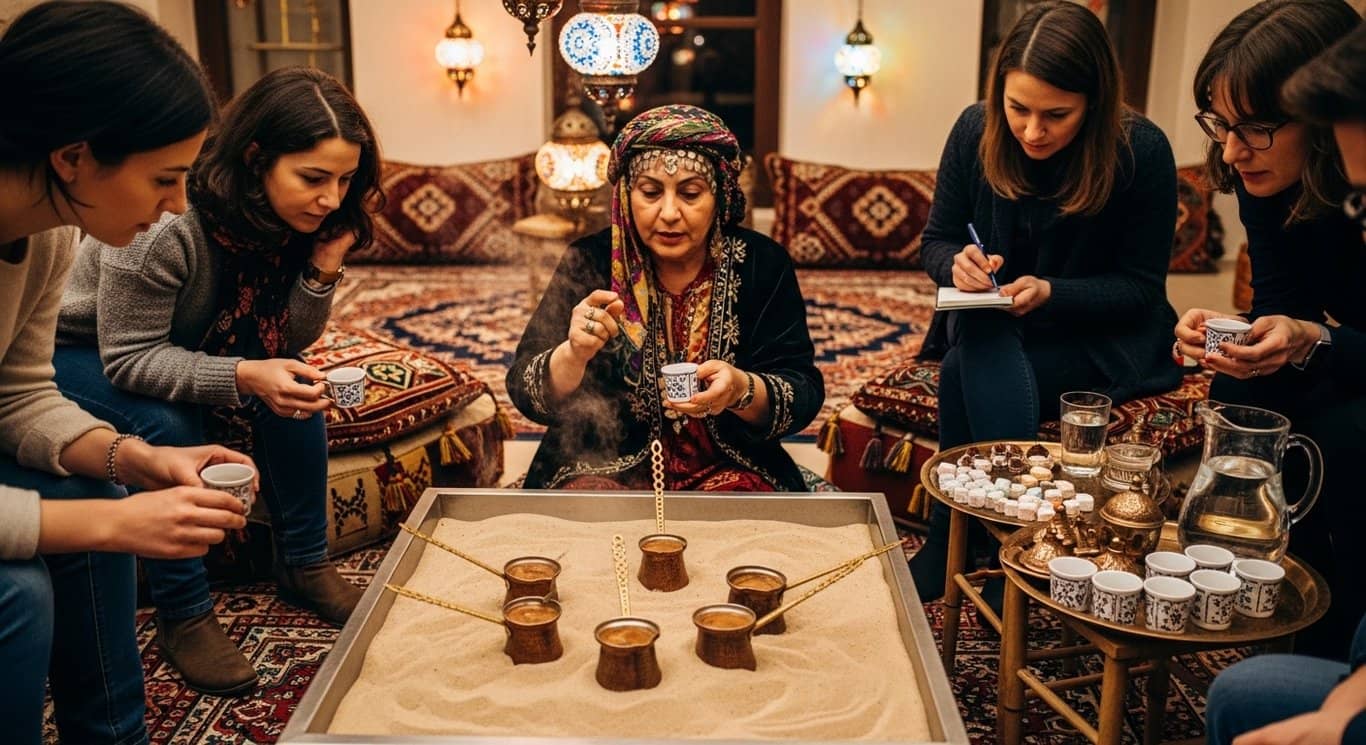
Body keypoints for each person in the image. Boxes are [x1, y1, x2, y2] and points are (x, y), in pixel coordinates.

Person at [53, 65, 383, 697]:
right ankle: (186, 612)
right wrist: (244, 374)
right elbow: (129, 359)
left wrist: (321, 266)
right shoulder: (166, 228)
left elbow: (286, 340)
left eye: (345, 180)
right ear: (256, 158)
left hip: (179, 343)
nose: (332, 198)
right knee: (167, 423)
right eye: (313, 178)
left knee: (298, 392)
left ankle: (306, 564)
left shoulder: (290, 218)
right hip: (77, 348)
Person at [0, 3, 254, 743]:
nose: (176, 207)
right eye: (164, 179)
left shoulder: (46, 236)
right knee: (17, 593)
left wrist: (135, 458)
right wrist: (116, 521)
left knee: (95, 483)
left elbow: (17, 392)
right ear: (73, 156)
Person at [907, 0, 1182, 599]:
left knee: (964, 362)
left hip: (1095, 335)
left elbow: (1140, 290)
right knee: (981, 334)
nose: (1032, 131)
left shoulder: (1143, 151)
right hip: (994, 329)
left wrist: (1053, 293)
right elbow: (937, 240)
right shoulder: (975, 129)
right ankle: (1022, 542)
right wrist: (956, 263)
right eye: (1018, 109)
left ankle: (955, 535)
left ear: (1096, 102)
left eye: (1057, 115)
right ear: (997, 92)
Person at [1172, 0, 1362, 661]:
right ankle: (1272, 604)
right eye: (1220, 124)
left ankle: (1339, 643)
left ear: (1321, 113)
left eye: (1252, 127)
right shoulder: (1258, 166)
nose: (1229, 150)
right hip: (1350, 345)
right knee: (1238, 393)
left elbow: (1320, 330)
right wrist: (1229, 331)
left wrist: (1316, 338)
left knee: (1344, 430)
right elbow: (1281, 301)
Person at [506, 104, 822, 491]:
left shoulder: (762, 263)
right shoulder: (588, 260)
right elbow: (524, 388)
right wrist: (573, 354)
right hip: (600, 464)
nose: (669, 213)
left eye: (690, 193)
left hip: (728, 463)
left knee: (742, 518)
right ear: (625, 195)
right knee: (586, 514)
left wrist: (741, 390)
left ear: (721, 195)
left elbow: (803, 392)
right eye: (651, 192)